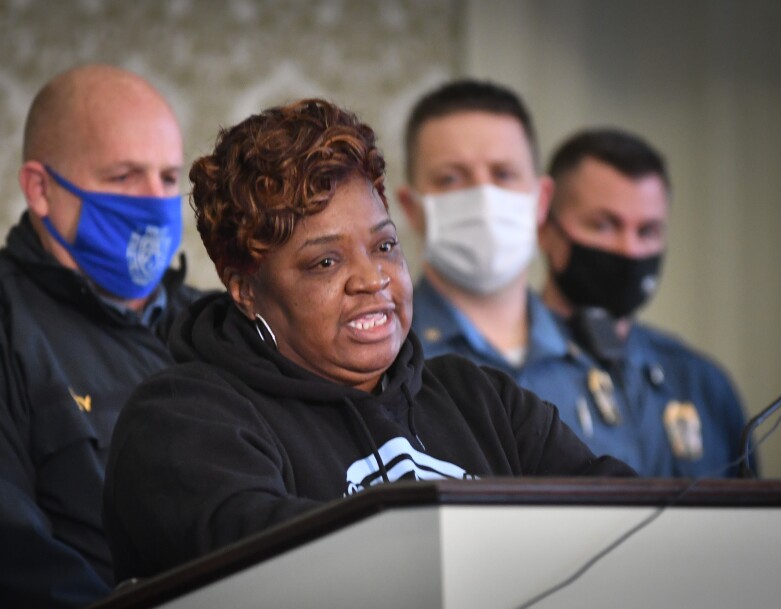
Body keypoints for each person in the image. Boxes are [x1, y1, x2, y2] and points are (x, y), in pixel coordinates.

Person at [102, 98, 635, 582]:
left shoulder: (483, 400)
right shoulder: (183, 421)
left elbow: (627, 521)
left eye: (384, 246)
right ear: (245, 289)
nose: (372, 279)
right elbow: (285, 572)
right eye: (325, 262)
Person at [0, 64, 203, 608]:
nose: (153, 201)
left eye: (166, 177)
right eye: (123, 176)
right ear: (40, 189)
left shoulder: (214, 326)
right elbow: (8, 567)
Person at [394, 80, 610, 457]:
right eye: (451, 178)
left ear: (542, 200)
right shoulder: (381, 361)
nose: (484, 195)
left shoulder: (608, 363)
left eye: (504, 174)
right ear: (411, 208)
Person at [538, 128, 747, 477]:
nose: (630, 250)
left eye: (647, 231)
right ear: (546, 228)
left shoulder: (701, 382)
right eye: (604, 225)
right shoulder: (505, 376)